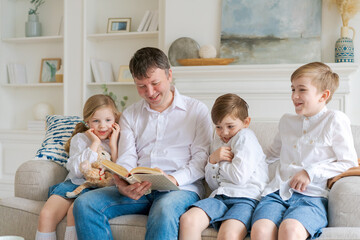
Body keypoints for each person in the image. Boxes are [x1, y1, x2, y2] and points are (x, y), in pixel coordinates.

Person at [73, 47, 213, 240]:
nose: (150, 92)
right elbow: (128, 156)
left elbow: (201, 160)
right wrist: (123, 183)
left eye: (155, 83)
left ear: (169, 75)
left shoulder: (197, 111)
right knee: (85, 204)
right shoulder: (131, 114)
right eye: (141, 86)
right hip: (140, 188)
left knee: (164, 210)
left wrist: (173, 179)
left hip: (180, 189)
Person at [251, 62, 358, 240]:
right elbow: (270, 155)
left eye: (302, 90)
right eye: (293, 89)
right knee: (261, 230)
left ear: (323, 95)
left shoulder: (334, 120)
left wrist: (310, 172)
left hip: (312, 197)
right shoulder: (286, 121)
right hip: (276, 193)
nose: (295, 96)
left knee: (290, 230)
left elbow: (349, 162)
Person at [179, 93, 269, 240]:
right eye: (219, 127)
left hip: (246, 198)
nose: (224, 132)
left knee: (228, 234)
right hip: (220, 197)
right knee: (188, 220)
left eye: (230, 126)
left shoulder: (245, 137)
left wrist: (218, 163)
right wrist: (213, 160)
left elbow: (238, 178)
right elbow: (213, 184)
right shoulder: (217, 142)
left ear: (246, 122)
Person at [35, 94, 121, 240]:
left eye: (108, 120)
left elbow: (120, 170)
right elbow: (76, 170)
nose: (102, 126)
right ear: (87, 121)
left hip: (100, 187)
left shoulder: (118, 139)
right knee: (46, 214)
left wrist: (113, 146)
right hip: (75, 183)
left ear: (115, 119)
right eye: (96, 121)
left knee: (75, 212)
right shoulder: (80, 139)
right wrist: (94, 144)